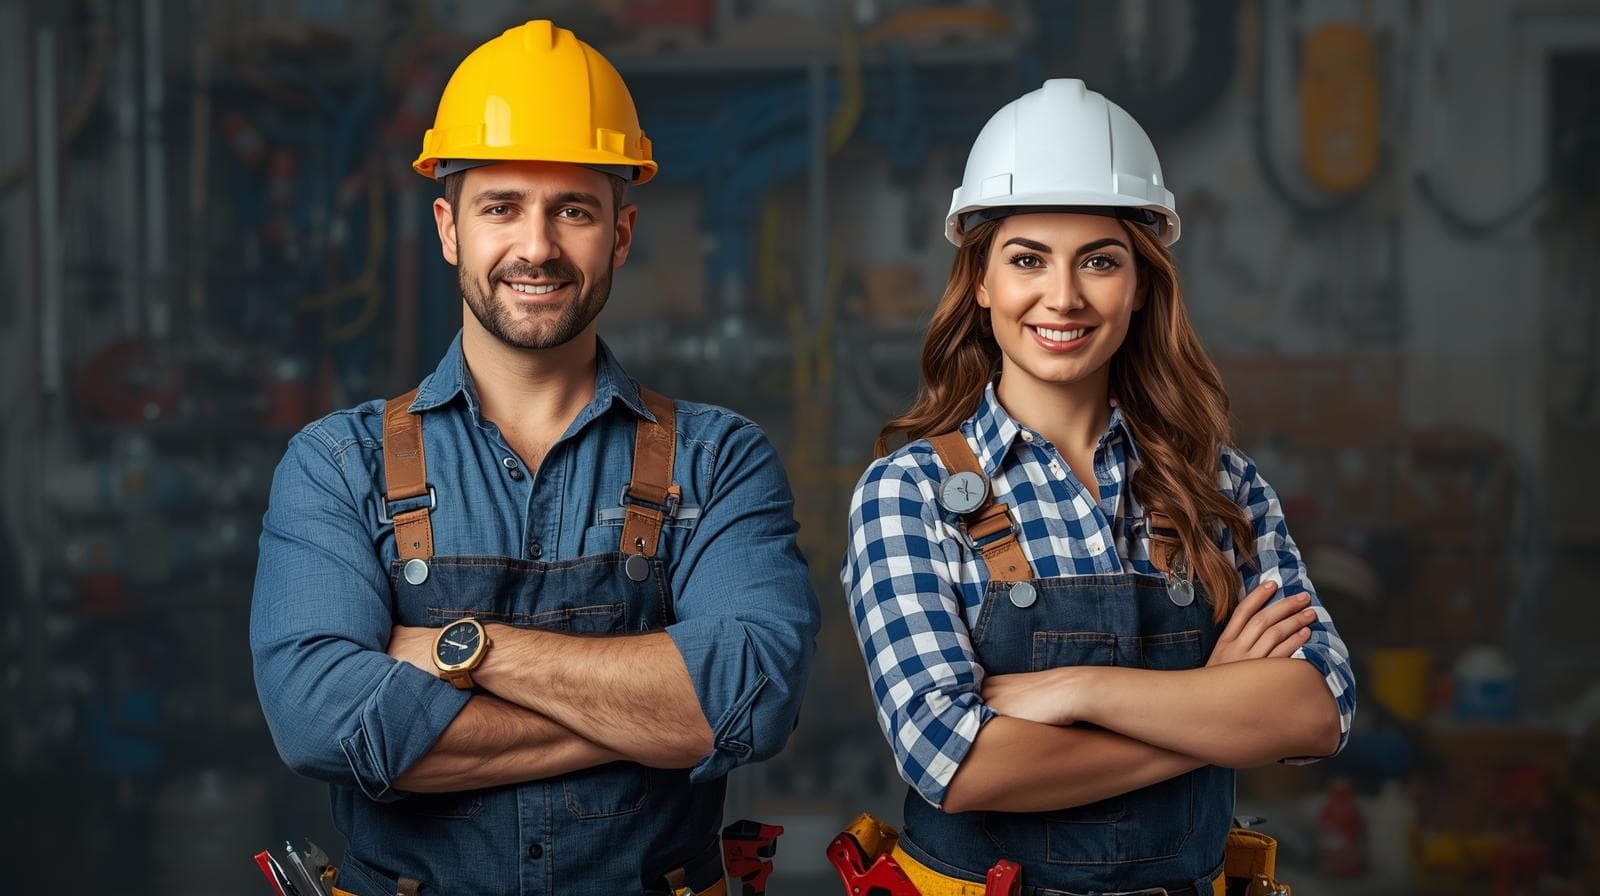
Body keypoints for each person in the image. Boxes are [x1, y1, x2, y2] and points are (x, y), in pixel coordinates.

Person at [250, 20, 819, 896]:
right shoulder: (337, 465)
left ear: (621, 235)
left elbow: (750, 696)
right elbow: (323, 723)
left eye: (574, 210)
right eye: (502, 206)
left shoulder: (719, 460)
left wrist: (457, 649)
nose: (538, 246)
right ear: (449, 228)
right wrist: (651, 716)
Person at [840, 79, 1356, 895]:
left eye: (1101, 261)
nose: (1064, 297)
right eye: (1027, 259)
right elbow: (957, 760)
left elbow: (1319, 710)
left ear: (1142, 283)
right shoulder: (908, 494)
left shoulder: (1215, 483)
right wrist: (1215, 716)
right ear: (979, 281)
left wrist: (1079, 690)